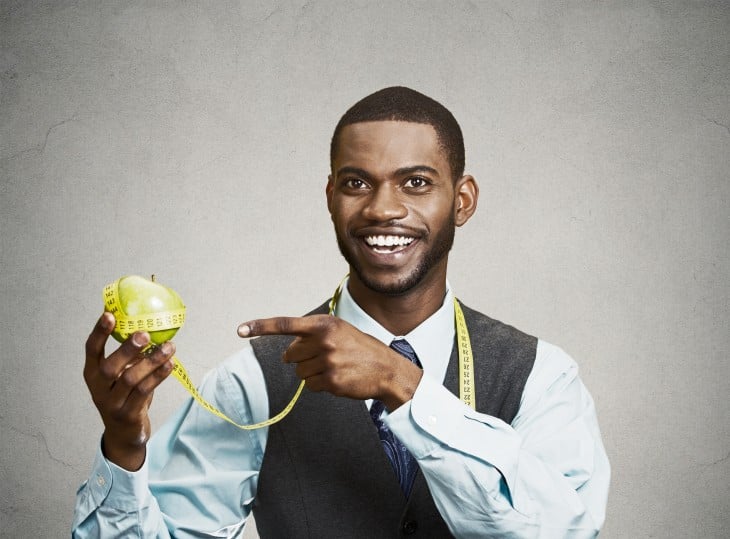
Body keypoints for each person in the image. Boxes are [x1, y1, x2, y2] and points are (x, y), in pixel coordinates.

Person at [73, 86, 610, 538]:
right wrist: (124, 450)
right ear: (331, 197)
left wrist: (402, 383)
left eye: (416, 182)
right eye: (357, 183)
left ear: (462, 200)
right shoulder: (254, 380)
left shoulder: (540, 375)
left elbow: (566, 530)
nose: (382, 208)